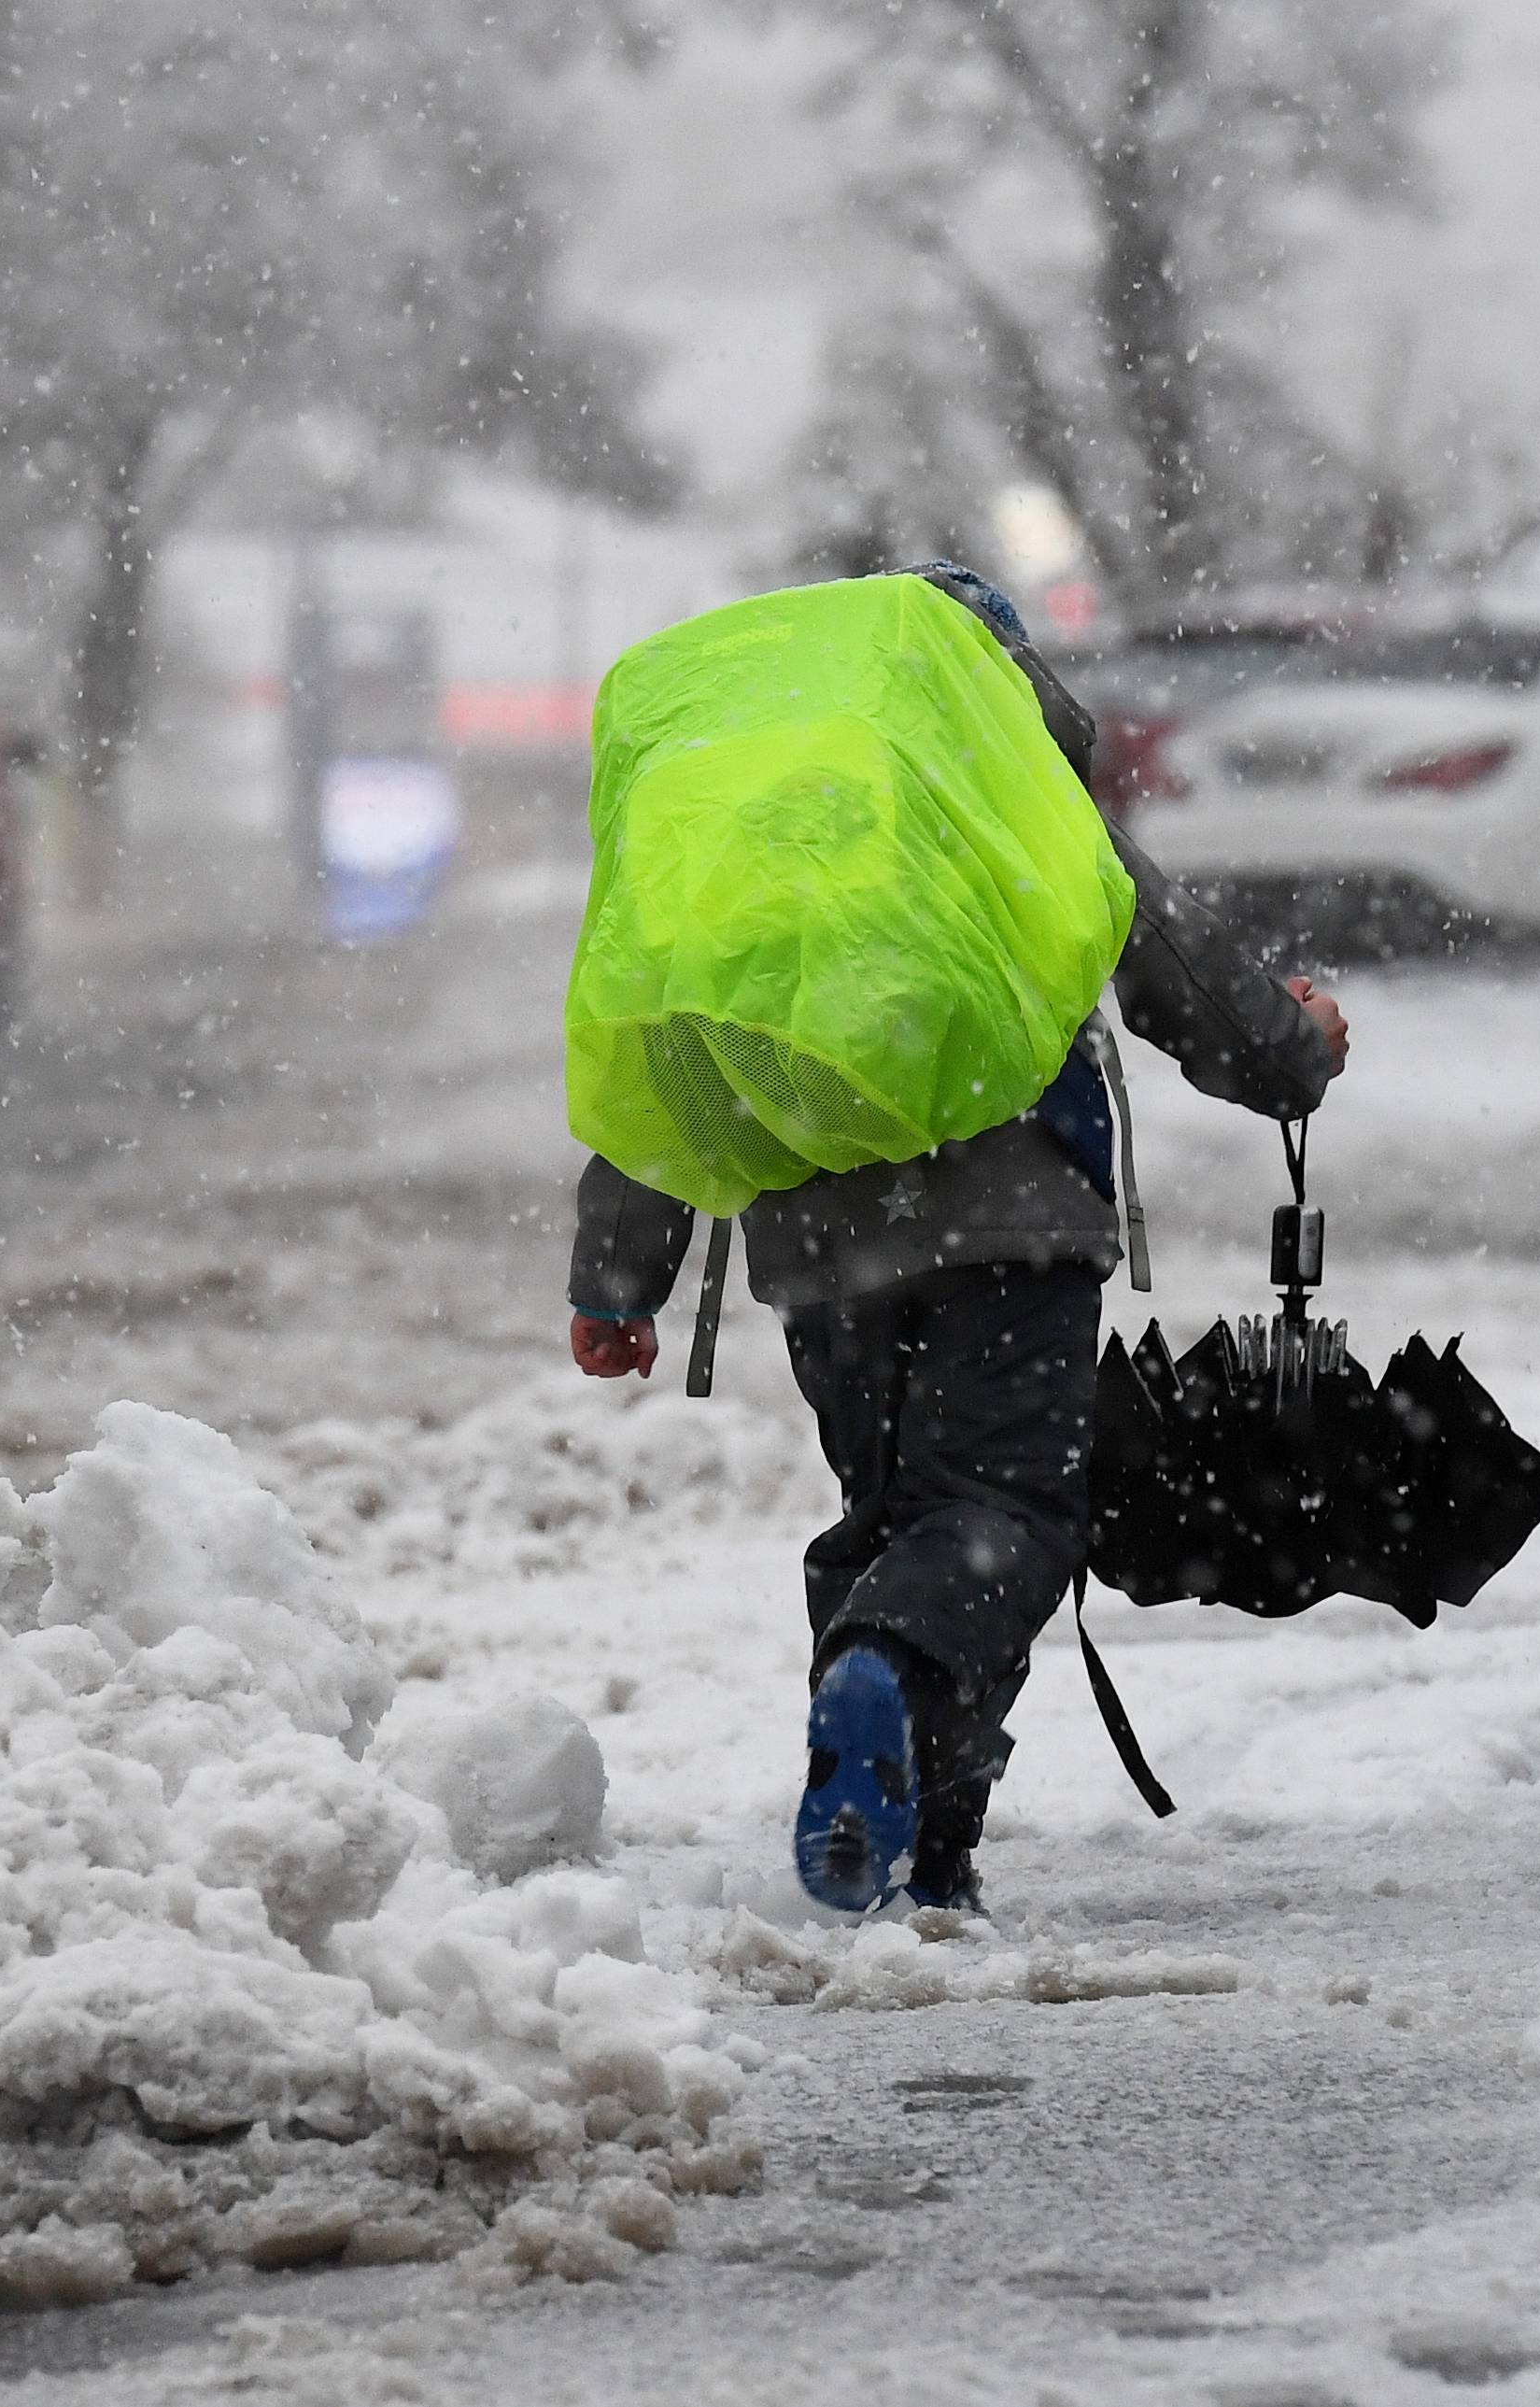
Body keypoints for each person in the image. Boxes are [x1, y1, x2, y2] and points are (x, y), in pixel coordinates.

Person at [567, 563, 1348, 1916]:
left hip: (817, 1237)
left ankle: (919, 1846)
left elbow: (674, 1044)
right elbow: (1169, 961)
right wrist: (1291, 1051)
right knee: (1001, 1516)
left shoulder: (792, 839)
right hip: (1014, 1219)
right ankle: (885, 1695)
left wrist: (620, 1275)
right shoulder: (1007, 793)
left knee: (896, 1519)